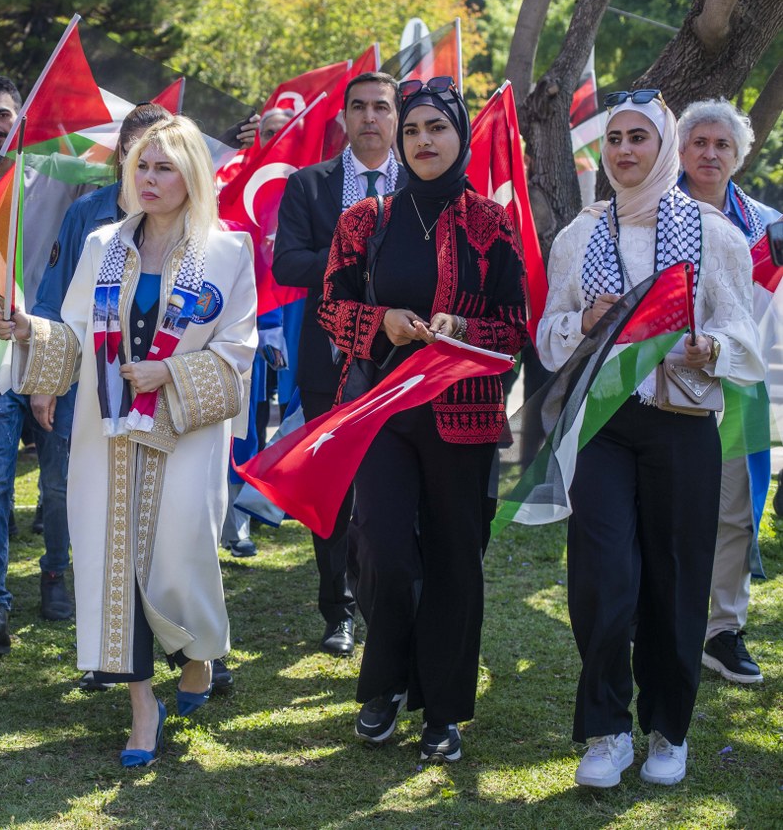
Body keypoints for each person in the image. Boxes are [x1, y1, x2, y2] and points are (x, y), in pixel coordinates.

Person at [0, 115, 257, 767]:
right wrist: (30, 328)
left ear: (192, 173)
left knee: (177, 553)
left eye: (163, 166)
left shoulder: (228, 252)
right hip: (106, 427)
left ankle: (197, 654)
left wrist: (168, 370)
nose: (148, 178)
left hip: (183, 430)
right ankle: (142, 707)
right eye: (140, 165)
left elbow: (238, 352)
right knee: (112, 563)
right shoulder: (102, 244)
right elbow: (77, 337)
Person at [537, 92, 763, 787]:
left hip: (682, 425)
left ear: (661, 148)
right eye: (614, 140)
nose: (625, 150)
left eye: (639, 138)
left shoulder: (714, 233)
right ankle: (605, 731)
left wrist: (705, 348)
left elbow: (745, 341)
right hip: (602, 425)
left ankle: (667, 727)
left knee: (675, 579)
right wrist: (585, 322)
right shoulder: (577, 235)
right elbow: (548, 340)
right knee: (601, 579)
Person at [319, 77, 527, 764]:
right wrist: (380, 322)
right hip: (379, 408)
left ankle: (442, 710)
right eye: (412, 130)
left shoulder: (490, 223)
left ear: (460, 135)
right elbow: (329, 307)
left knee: (451, 559)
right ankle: (384, 683)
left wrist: (461, 325)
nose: (423, 141)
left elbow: (515, 329)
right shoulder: (366, 220)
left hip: (460, 417)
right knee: (378, 545)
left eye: (436, 127)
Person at [0, 75, 111, 656]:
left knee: (58, 481)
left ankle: (54, 573)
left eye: (4, 115)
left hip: (54, 347)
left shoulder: (64, 177)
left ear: (23, 117)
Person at [273, 71, 400, 657]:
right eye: (359, 107)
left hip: (404, 361)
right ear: (343, 118)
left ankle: (391, 602)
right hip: (331, 361)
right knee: (334, 492)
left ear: (397, 117)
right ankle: (338, 609)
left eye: (382, 107)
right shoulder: (310, 185)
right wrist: (359, 247)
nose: (370, 118)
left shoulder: (425, 183)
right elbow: (288, 264)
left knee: (393, 493)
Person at [676, 98, 778, 686]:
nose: (710, 154)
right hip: (665, 380)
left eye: (723, 146)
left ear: (739, 156)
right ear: (682, 151)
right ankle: (660, 614)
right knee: (661, 503)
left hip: (739, 384)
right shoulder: (654, 213)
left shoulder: (768, 226)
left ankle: (722, 630)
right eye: (700, 143)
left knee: (735, 510)